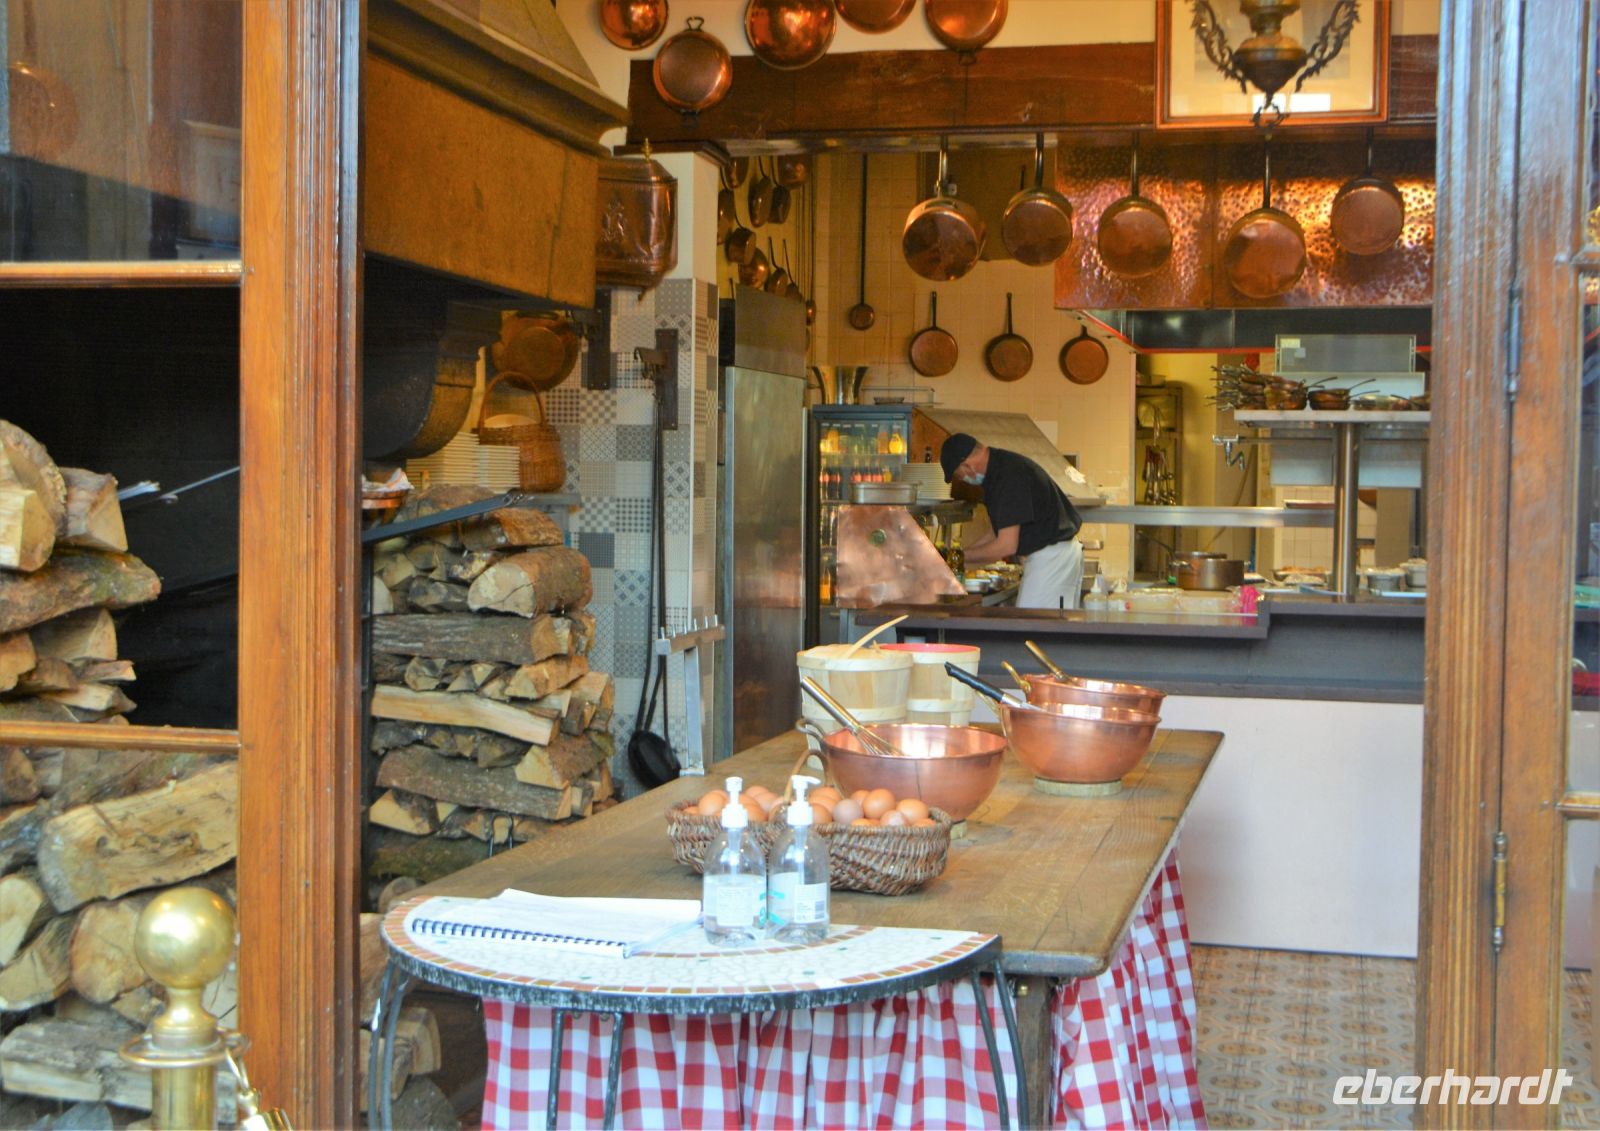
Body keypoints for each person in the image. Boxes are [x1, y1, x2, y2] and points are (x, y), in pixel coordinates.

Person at [940, 432, 1085, 609]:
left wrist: (957, 557)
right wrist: (959, 559)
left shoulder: (1009, 477)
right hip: (1051, 556)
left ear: (967, 466)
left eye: (959, 475)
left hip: (1053, 558)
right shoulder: (998, 471)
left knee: (1033, 628)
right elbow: (996, 532)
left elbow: (1006, 546)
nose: (962, 480)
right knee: (1036, 627)